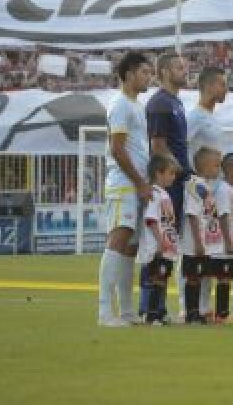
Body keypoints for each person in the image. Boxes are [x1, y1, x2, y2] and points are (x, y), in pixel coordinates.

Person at [98, 51, 153, 327]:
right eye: (144, 72)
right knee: (118, 240)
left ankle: (128, 311)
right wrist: (140, 182)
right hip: (123, 184)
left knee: (131, 247)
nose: (148, 77)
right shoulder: (119, 104)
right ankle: (105, 311)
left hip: (137, 184)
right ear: (129, 74)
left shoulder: (137, 106)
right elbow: (117, 149)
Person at [145, 52, 188, 318]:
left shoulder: (175, 102)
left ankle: (158, 306)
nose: (184, 71)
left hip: (177, 181)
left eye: (185, 66)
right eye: (178, 67)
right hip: (167, 183)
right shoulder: (160, 103)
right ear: (162, 72)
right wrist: (177, 169)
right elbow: (158, 146)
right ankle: (150, 307)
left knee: (169, 244)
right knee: (158, 245)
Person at [137, 153, 181, 325]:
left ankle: (160, 311)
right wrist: (160, 241)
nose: (173, 176)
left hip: (166, 247)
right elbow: (151, 220)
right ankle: (149, 313)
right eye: (170, 173)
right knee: (153, 279)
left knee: (162, 279)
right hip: (157, 247)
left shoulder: (164, 194)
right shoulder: (154, 194)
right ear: (158, 173)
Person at [179, 146, 221, 324]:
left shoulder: (205, 185)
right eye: (216, 166)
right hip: (194, 242)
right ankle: (192, 313)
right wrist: (197, 241)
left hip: (206, 241)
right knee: (193, 277)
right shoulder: (196, 185)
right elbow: (193, 214)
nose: (219, 169)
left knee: (203, 275)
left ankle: (201, 310)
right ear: (203, 167)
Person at [210, 152, 233, 322]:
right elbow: (223, 215)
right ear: (231, 169)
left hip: (232, 242)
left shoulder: (232, 189)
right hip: (225, 244)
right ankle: (220, 314)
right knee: (223, 277)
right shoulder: (224, 190)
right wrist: (228, 240)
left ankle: (221, 313)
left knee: (227, 277)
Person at [185, 67, 227, 158]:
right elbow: (179, 148)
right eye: (222, 85)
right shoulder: (195, 116)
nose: (226, 89)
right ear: (209, 86)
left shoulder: (213, 115)